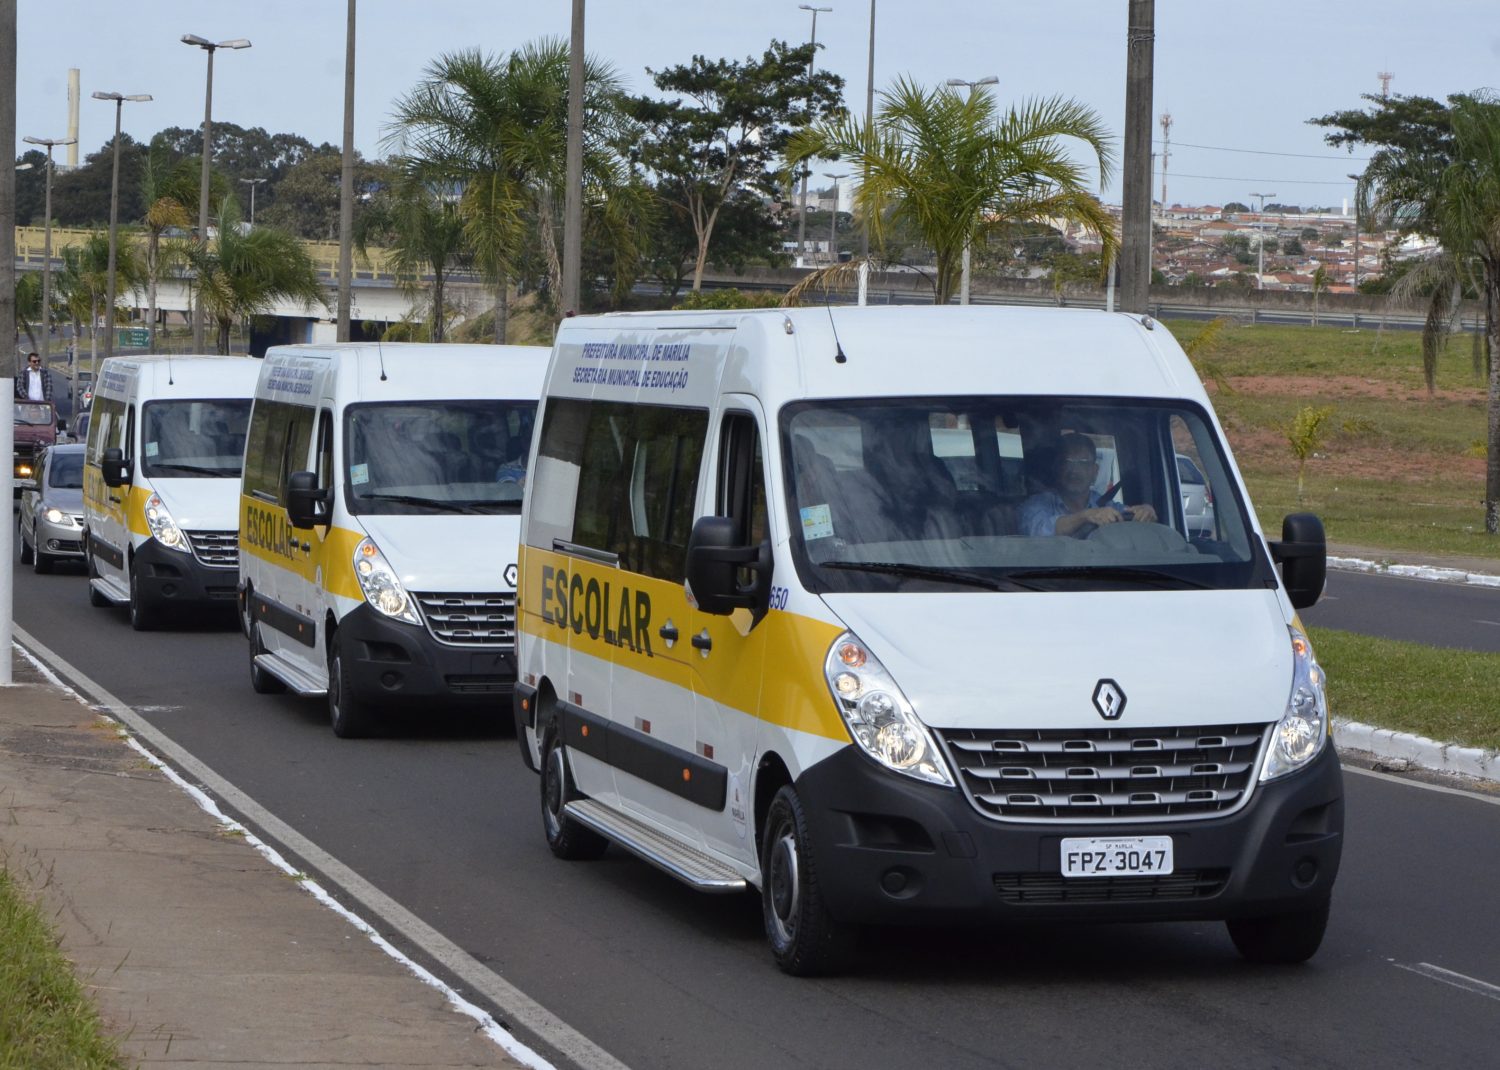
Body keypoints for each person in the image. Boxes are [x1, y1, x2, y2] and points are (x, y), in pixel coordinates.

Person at [1019, 433, 1157, 537]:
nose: (1075, 470)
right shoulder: (1037, 504)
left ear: (1094, 471)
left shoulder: (1104, 505)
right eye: (1068, 462)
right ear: (1057, 468)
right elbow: (1037, 530)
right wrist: (1084, 516)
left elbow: (1127, 514)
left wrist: (1145, 511)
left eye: (1083, 462)